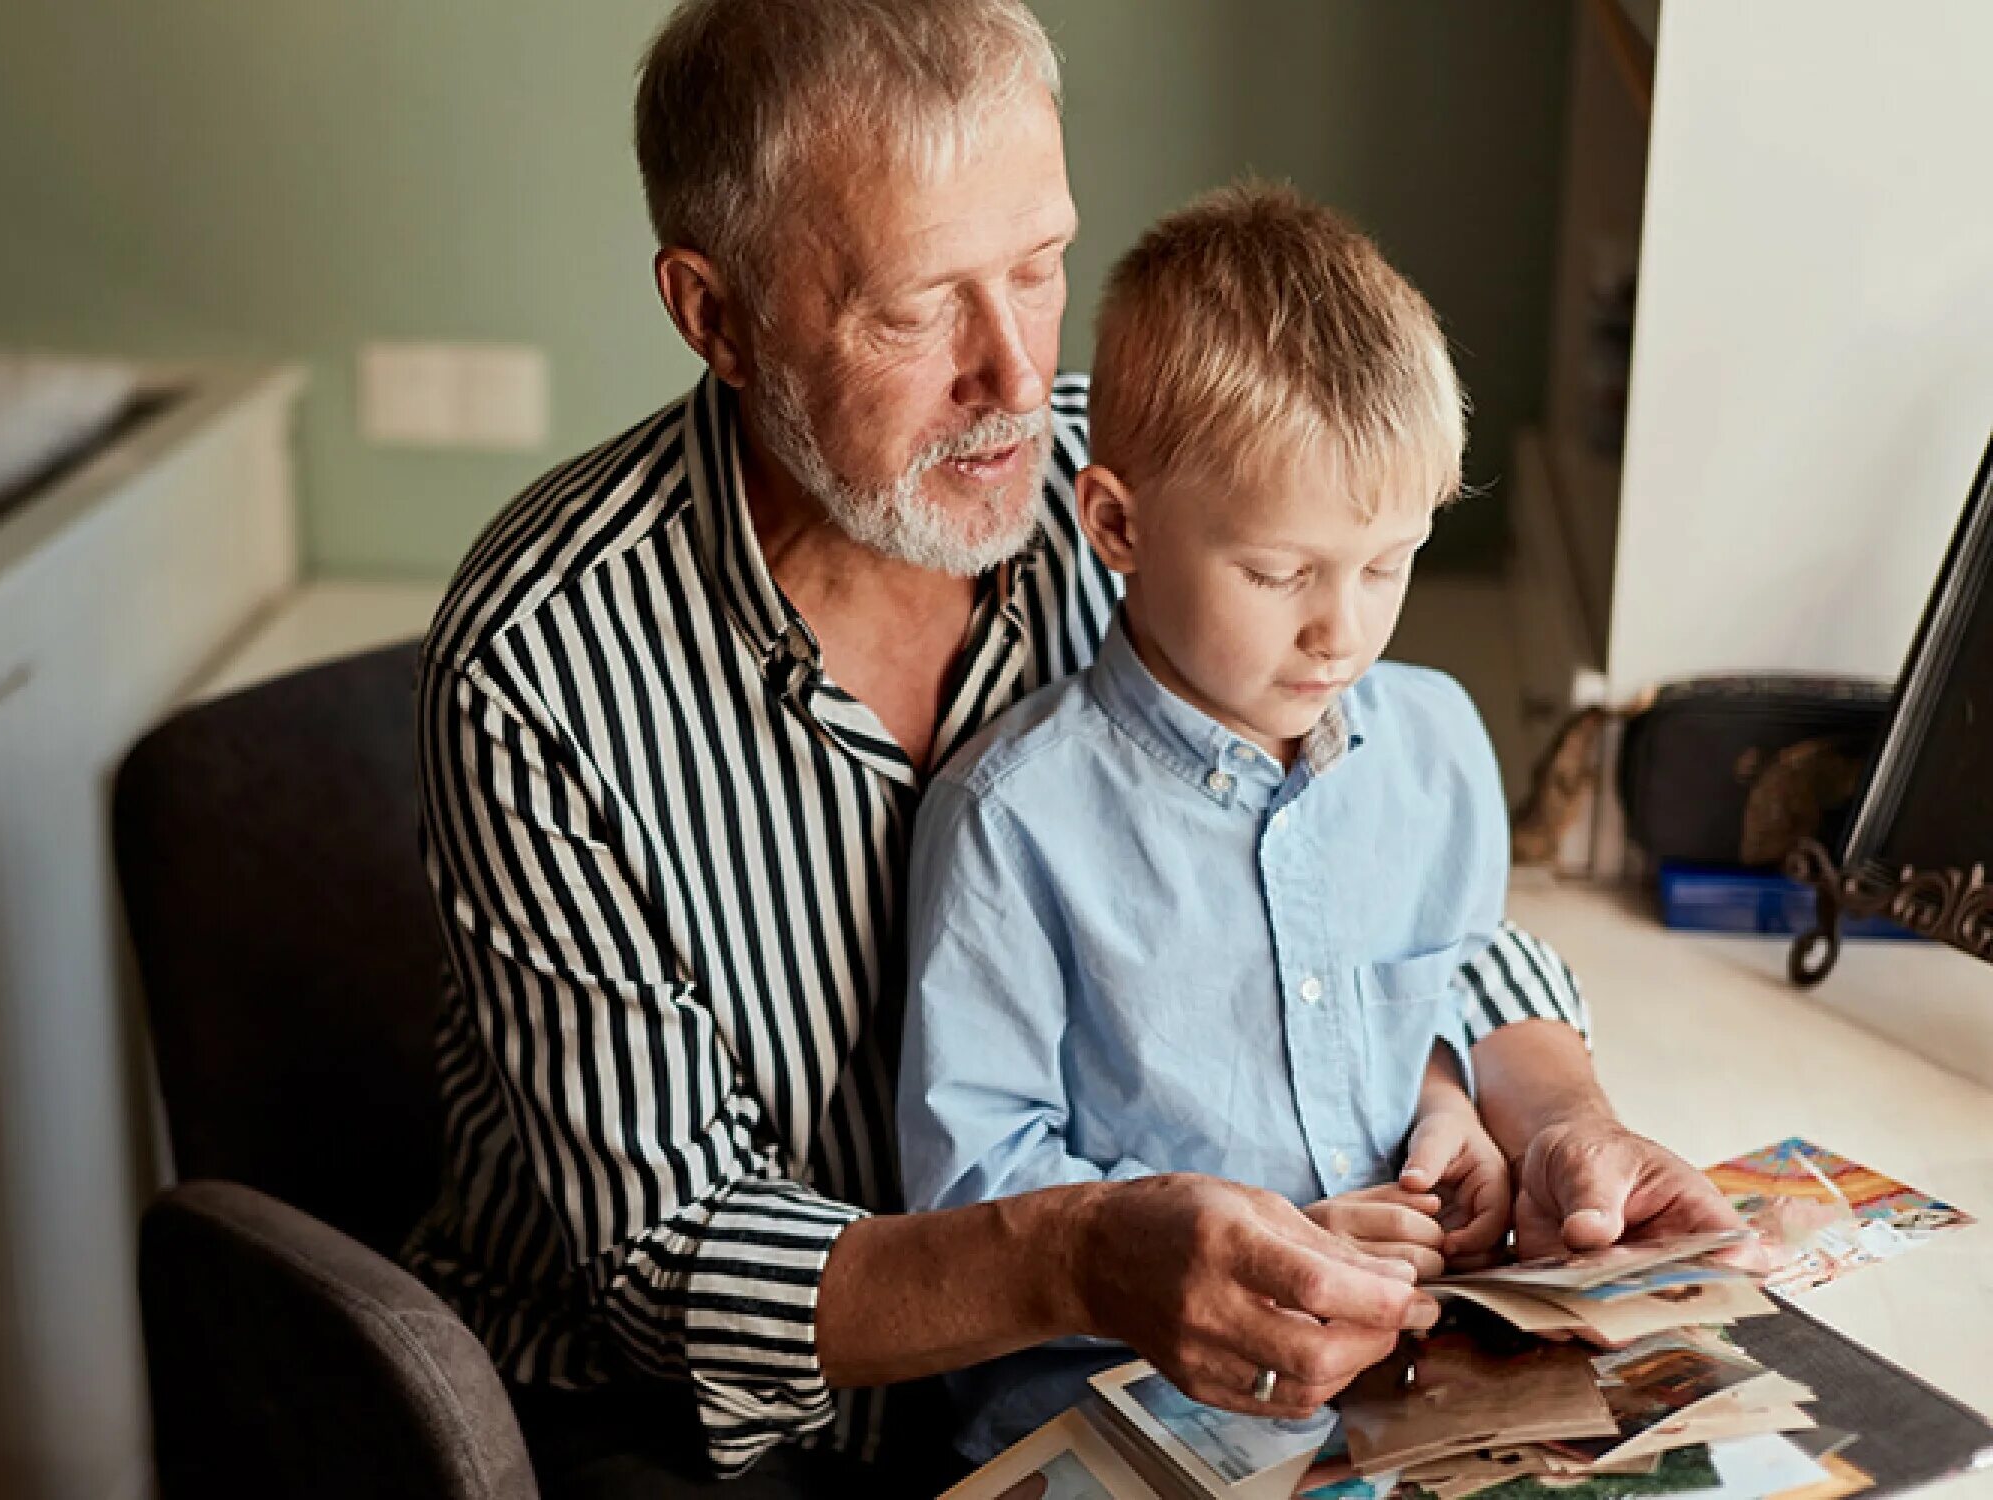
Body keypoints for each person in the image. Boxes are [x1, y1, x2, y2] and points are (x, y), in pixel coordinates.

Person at [403, 1, 1744, 1491]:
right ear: (714, 313)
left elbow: (1378, 866)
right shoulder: (537, 664)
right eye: (916, 309)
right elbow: (668, 1260)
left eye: (1037, 268)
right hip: (710, 1424)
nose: (1014, 379)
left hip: (1163, 1372)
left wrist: (1555, 1119)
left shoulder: (1168, 495)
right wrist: (1088, 1259)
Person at [899, 182, 1524, 1459]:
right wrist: (1262, 1243)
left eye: (1386, 564)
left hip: (1400, 1368)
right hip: (1110, 1399)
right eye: (1278, 572)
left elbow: (1443, 984)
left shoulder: (1439, 747)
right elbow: (974, 1187)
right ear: (1119, 525)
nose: (1339, 628)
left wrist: (1453, 1105)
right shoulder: (1012, 818)